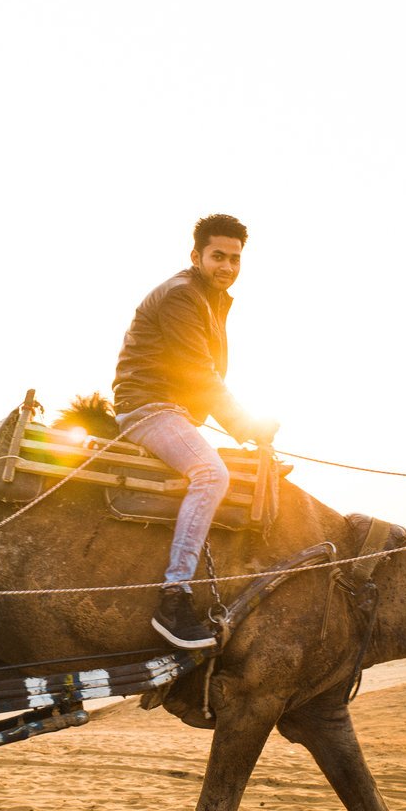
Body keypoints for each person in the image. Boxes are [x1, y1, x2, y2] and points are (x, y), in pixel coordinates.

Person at [112, 214, 278, 649]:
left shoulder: (209, 298)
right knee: (212, 474)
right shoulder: (183, 297)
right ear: (196, 256)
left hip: (174, 410)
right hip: (149, 409)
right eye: (218, 256)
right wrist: (246, 424)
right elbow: (198, 373)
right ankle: (174, 598)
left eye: (235, 259)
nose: (227, 266)